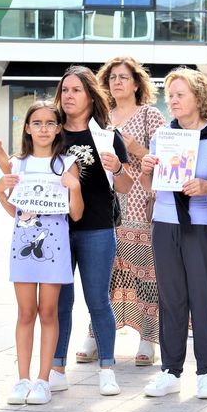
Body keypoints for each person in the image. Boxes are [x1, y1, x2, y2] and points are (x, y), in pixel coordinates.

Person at [141, 69, 207, 401]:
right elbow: (154, 189)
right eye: (170, 96)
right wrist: (148, 170)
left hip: (204, 225)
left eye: (180, 95)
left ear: (199, 97)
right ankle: (170, 370)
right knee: (171, 298)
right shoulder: (164, 136)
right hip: (165, 224)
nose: (173, 101)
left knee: (203, 298)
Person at [76, 57, 166, 368]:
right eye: (112, 77)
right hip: (105, 203)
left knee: (146, 273)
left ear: (137, 83)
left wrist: (135, 149)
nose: (117, 82)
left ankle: (148, 338)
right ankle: (95, 334)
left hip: (140, 201)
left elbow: (168, 155)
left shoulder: (149, 115)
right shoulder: (100, 116)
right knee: (105, 273)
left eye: (124, 77)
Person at [0, 101, 84, 406]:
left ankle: (44, 380)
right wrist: (0, 192)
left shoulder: (66, 163)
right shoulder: (18, 164)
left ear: (59, 128)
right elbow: (16, 213)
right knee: (25, 312)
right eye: (37, 123)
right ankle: (22, 378)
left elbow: (77, 214)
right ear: (27, 128)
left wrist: (75, 189)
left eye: (49, 123)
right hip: (23, 249)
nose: (43, 129)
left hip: (55, 250)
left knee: (48, 312)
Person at [50, 66, 133, 396]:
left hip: (97, 228)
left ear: (90, 96)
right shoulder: (51, 132)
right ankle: (56, 366)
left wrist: (118, 167)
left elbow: (125, 186)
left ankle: (107, 368)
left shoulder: (107, 136)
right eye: (64, 90)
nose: (68, 96)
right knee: (60, 301)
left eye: (76, 90)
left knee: (98, 299)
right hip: (56, 228)